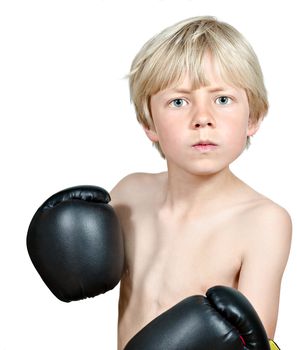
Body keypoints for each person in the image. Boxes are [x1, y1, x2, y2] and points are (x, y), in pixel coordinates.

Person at [109, 16, 292, 349]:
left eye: (222, 99)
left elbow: (256, 339)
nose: (202, 118)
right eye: (179, 101)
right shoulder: (128, 196)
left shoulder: (263, 221)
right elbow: (83, 269)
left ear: (253, 118)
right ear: (149, 123)